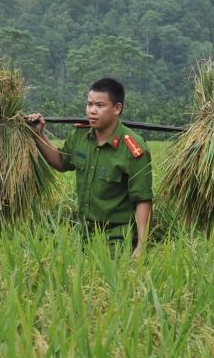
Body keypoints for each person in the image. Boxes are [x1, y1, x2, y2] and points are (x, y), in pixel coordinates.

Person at [26, 78, 153, 257]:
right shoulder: (80, 135)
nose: (92, 111)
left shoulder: (133, 148)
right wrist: (38, 134)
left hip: (118, 240)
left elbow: (143, 200)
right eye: (89, 104)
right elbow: (62, 162)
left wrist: (141, 246)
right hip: (84, 236)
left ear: (117, 108)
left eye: (100, 105)